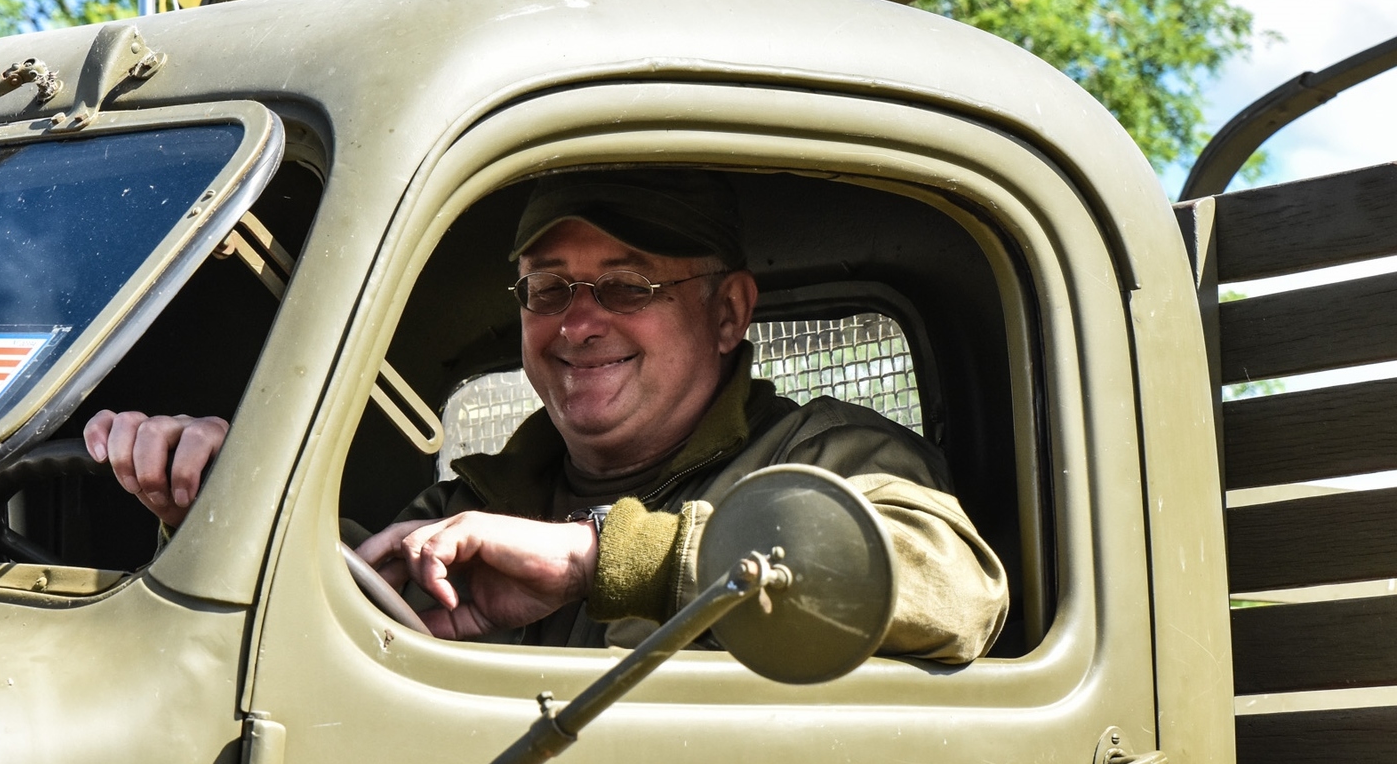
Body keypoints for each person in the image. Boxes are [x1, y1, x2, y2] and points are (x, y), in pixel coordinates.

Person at [85, 171, 1008, 661]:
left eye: (627, 284)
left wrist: (600, 562)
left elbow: (957, 590)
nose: (576, 322)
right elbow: (347, 626)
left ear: (729, 312)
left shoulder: (830, 457)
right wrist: (218, 502)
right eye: (547, 289)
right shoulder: (470, 504)